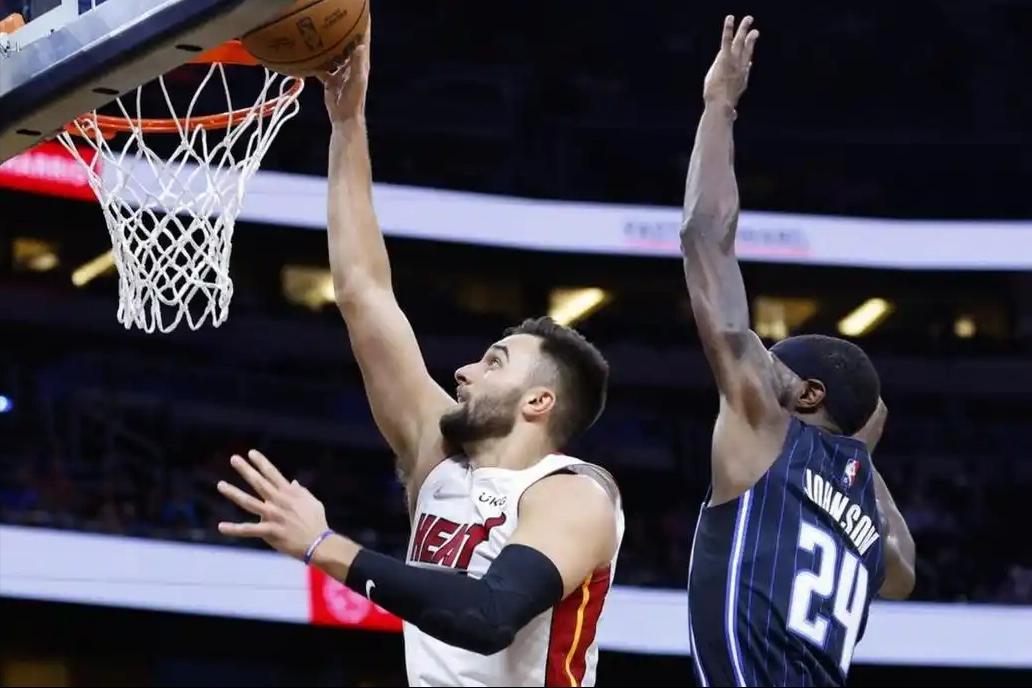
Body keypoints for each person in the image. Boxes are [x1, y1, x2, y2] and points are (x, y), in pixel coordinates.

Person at [214, 26, 624, 688]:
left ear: (538, 402)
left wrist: (323, 546)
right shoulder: (436, 455)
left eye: (494, 362)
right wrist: (347, 124)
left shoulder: (574, 495)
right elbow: (363, 293)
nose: (463, 371)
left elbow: (488, 615)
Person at [680, 15, 917, 688]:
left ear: (809, 394)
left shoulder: (766, 429)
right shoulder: (873, 530)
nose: (756, 363)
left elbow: (704, 238)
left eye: (773, 362)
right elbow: (904, 571)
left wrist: (719, 107)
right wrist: (859, 454)